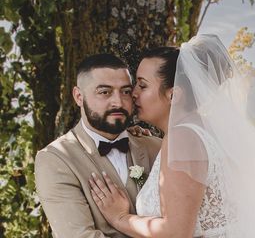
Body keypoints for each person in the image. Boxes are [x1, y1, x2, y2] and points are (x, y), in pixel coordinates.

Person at [89, 34, 255, 238]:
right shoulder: (204, 131)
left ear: (173, 95)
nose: (133, 93)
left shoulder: (182, 137)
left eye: (143, 85)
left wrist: (119, 218)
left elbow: (176, 233)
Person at [35, 53, 161, 238]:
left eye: (125, 91)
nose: (118, 102)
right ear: (79, 96)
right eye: (104, 92)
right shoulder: (56, 159)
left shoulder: (157, 147)